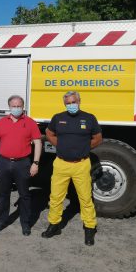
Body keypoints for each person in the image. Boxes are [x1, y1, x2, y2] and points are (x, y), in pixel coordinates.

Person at [41, 91, 102, 246]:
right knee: (55, 198)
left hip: (81, 165)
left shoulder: (89, 118)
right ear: (64, 104)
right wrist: (59, 145)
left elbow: (97, 138)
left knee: (85, 199)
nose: (71, 105)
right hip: (61, 164)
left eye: (73, 102)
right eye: (68, 103)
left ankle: (89, 227)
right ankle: (54, 225)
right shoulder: (58, 118)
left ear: (79, 101)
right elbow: (49, 133)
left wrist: (83, 149)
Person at [0, 95, 42, 236]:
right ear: (9, 107)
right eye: (14, 105)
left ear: (23, 106)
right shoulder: (2, 122)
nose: (16, 108)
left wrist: (35, 163)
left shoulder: (30, 122)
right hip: (3, 162)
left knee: (24, 194)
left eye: (19, 106)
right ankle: (2, 221)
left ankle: (25, 224)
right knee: (3, 194)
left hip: (23, 163)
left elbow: (38, 143)